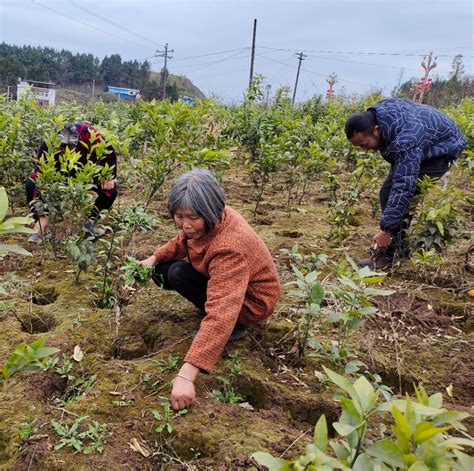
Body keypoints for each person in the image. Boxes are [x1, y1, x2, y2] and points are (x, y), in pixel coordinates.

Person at [140, 169, 280, 411]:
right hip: (229, 284)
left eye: (193, 217)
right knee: (164, 271)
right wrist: (152, 259)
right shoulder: (208, 222)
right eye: (178, 216)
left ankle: (237, 326)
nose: (185, 225)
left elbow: (221, 311)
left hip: (250, 303)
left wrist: (186, 375)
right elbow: (181, 241)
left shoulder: (229, 247)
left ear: (210, 210)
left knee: (180, 275)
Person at [345, 98, 466, 268]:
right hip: (423, 140)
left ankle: (388, 255)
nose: (365, 150)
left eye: (364, 145)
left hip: (443, 149)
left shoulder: (406, 141)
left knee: (399, 195)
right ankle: (400, 249)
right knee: (387, 193)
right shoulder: (380, 113)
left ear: (376, 130)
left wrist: (386, 230)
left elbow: (403, 187)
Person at [26, 123, 118, 242]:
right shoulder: (49, 143)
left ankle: (91, 224)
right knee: (31, 184)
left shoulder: (89, 135)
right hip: (60, 172)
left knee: (110, 191)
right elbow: (40, 176)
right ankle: (40, 225)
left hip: (86, 171)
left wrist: (110, 176)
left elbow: (109, 150)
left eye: (69, 148)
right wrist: (41, 215)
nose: (66, 152)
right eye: (61, 149)